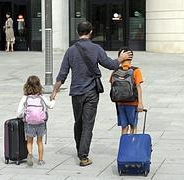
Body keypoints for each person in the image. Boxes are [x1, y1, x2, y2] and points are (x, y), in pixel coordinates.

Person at [50, 21, 132, 167]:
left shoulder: (70, 50)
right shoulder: (96, 48)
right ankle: (83, 156)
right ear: (91, 32)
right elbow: (110, 65)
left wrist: (54, 91)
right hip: (91, 92)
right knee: (88, 124)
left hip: (76, 92)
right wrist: (121, 58)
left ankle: (79, 149)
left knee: (78, 122)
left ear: (77, 32)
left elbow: (62, 74)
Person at [17, 75, 55, 166]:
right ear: (39, 85)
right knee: (40, 142)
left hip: (29, 123)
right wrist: (53, 100)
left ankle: (30, 154)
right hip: (40, 122)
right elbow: (50, 105)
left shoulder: (25, 98)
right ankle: (41, 160)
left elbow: (19, 112)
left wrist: (21, 116)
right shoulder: (41, 97)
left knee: (29, 141)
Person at [110, 47, 144, 135]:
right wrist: (140, 103)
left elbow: (112, 86)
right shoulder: (135, 71)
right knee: (133, 126)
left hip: (120, 103)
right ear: (131, 58)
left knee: (124, 127)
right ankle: (132, 147)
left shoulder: (115, 71)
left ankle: (123, 147)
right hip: (133, 103)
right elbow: (138, 86)